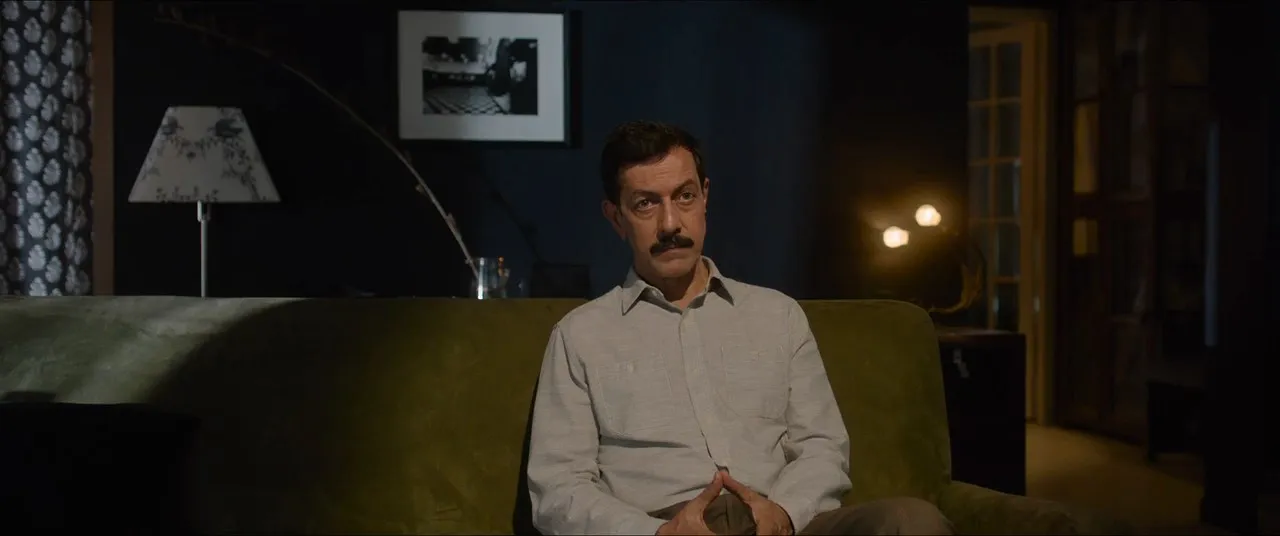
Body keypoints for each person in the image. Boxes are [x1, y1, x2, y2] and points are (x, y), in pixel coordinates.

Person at [526, 121, 955, 536]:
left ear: (705, 197)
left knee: (911, 521)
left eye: (685, 196)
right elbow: (558, 489)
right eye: (645, 204)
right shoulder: (580, 336)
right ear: (616, 218)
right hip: (664, 525)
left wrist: (784, 513)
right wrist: (656, 532)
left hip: (784, 522)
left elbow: (822, 447)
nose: (671, 224)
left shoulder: (777, 315)